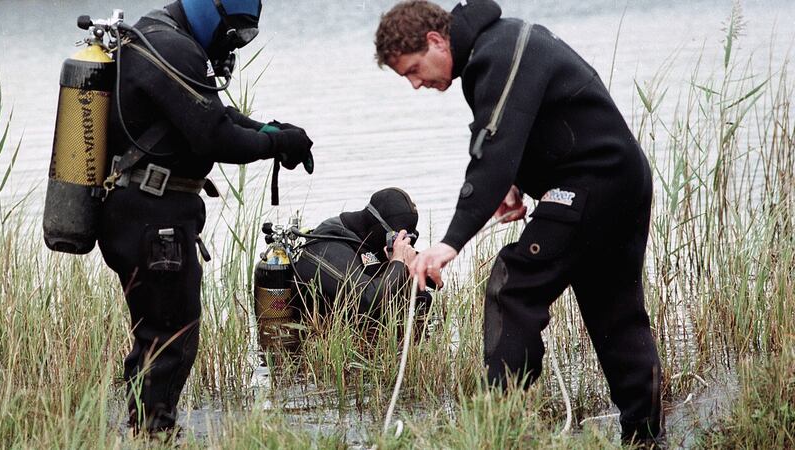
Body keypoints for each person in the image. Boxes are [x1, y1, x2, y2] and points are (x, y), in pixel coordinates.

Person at [375, 0, 663, 446]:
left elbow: (491, 149)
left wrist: (450, 242)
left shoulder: (498, 52)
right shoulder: (498, 46)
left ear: (435, 41)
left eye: (413, 69)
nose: (415, 83)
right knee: (616, 315)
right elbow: (524, 128)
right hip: (619, 179)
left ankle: (502, 430)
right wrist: (516, 183)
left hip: (593, 183)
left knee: (513, 287)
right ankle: (645, 438)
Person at [97, 0, 313, 433]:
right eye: (234, 31)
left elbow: (213, 114)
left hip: (139, 211)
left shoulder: (158, 35)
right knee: (172, 334)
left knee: (156, 330)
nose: (234, 42)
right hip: (152, 216)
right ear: (211, 12)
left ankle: (144, 428)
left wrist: (271, 132)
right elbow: (215, 137)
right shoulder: (174, 49)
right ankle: (155, 434)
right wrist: (274, 143)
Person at [292, 188, 429, 320]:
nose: (402, 244)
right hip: (318, 336)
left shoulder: (373, 243)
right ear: (379, 227)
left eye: (409, 238)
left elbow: (420, 302)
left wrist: (410, 273)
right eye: (397, 238)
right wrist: (398, 263)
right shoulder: (328, 246)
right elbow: (367, 303)